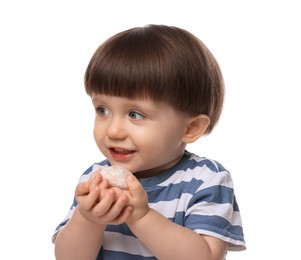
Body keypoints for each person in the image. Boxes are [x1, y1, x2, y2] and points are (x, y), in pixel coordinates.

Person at [52, 24, 246, 260]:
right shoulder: (96, 178)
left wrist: (142, 217)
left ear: (190, 128)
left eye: (135, 114)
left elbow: (206, 257)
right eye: (102, 110)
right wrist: (87, 218)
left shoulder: (206, 180)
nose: (113, 130)